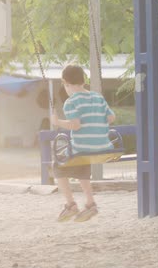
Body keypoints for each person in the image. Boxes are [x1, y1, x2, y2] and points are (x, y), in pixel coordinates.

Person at [51, 64, 116, 222]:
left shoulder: (71, 101)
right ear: (82, 81)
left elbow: (75, 125)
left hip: (82, 148)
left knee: (57, 165)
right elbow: (111, 118)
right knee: (82, 164)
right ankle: (90, 202)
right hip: (102, 147)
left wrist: (57, 121)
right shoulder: (98, 97)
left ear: (65, 82)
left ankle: (71, 204)